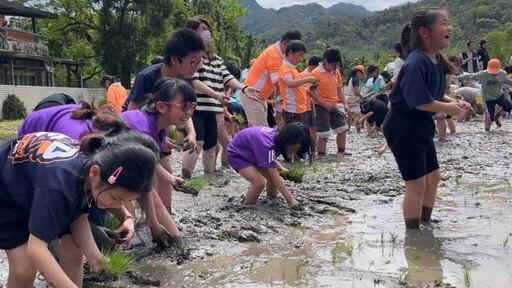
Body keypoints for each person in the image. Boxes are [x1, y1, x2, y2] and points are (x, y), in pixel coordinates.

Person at [18, 77, 196, 248]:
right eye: (183, 105)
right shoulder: (77, 158)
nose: (188, 112)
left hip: (77, 133)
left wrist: (129, 218)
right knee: (61, 218)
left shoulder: (133, 143)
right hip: (36, 139)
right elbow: (60, 201)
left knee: (99, 201)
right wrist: (91, 229)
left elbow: (140, 187)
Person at [0, 131, 158, 287]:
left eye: (125, 200)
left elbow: (79, 216)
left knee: (73, 253)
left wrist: (95, 258)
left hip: (35, 184)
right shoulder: (60, 185)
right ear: (95, 173)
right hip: (6, 191)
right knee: (24, 269)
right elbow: (36, 249)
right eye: (116, 198)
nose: (117, 206)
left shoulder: (94, 172)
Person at [383, 7, 472, 229]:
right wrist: (452, 109)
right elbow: (419, 101)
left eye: (449, 22)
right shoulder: (415, 62)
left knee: (432, 178)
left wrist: (453, 101)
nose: (450, 27)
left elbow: (430, 94)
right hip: (404, 125)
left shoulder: (433, 60)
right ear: (424, 32)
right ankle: (413, 236)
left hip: (421, 123)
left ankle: (425, 222)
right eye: (444, 22)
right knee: (416, 185)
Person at [181, 16, 258, 178]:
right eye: (201, 28)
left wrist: (244, 88)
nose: (206, 32)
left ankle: (208, 176)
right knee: (198, 140)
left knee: (211, 145)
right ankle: (186, 177)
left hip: (213, 108)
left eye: (207, 28)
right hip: (195, 106)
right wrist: (216, 94)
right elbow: (192, 80)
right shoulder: (190, 55)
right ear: (191, 32)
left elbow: (227, 76)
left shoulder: (215, 58)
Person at [226, 123, 314, 210]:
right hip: (237, 154)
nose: (292, 153)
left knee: (271, 179)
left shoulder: (277, 139)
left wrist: (281, 169)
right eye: (293, 150)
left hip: (252, 152)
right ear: (288, 141)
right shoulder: (268, 145)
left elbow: (270, 159)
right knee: (259, 182)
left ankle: (271, 199)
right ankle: (247, 207)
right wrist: (290, 200)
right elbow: (275, 176)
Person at [242, 30, 302, 127]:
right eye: (292, 50)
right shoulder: (275, 56)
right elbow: (278, 83)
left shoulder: (278, 54)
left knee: (256, 131)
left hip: (259, 97)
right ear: (285, 43)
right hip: (252, 95)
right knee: (262, 132)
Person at [308, 48, 350, 156]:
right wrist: (324, 104)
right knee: (324, 133)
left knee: (342, 128)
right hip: (319, 105)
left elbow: (339, 89)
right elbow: (310, 92)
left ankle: (341, 152)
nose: (335, 66)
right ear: (325, 62)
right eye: (333, 64)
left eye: (336, 64)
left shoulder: (336, 72)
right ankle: (321, 156)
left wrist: (345, 103)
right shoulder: (316, 73)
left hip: (333, 105)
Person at [458, 59, 512, 131]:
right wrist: (459, 77)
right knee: (490, 116)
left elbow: (508, 81)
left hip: (499, 95)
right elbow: (471, 76)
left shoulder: (502, 74)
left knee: (508, 107)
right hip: (488, 98)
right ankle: (487, 130)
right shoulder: (483, 74)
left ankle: (497, 117)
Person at [278, 40, 318, 125]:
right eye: (300, 55)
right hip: (292, 110)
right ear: (291, 52)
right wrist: (308, 79)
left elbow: (296, 88)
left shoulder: (292, 68)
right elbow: (290, 83)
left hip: (299, 109)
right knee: (294, 136)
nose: (301, 59)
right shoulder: (285, 68)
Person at [301, 56, 321, 142]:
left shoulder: (316, 77)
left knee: (314, 128)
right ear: (314, 67)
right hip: (303, 107)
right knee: (304, 128)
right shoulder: (301, 76)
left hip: (313, 106)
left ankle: (313, 146)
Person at [344, 65, 366, 133]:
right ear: (358, 72)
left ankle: (347, 129)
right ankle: (358, 130)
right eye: (361, 73)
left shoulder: (350, 78)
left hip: (346, 99)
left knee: (349, 115)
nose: (362, 74)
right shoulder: (356, 79)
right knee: (356, 116)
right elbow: (356, 92)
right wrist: (362, 96)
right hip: (353, 99)